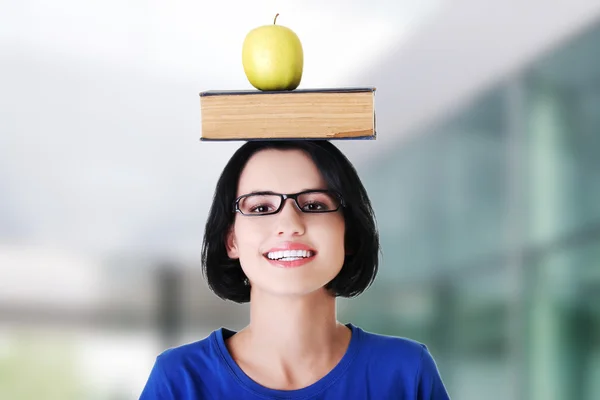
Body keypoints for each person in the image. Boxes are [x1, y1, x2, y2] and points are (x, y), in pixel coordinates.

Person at [139, 140, 450, 399]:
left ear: (349, 235)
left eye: (314, 205)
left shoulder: (407, 373)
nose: (289, 225)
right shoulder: (178, 380)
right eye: (260, 207)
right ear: (231, 240)